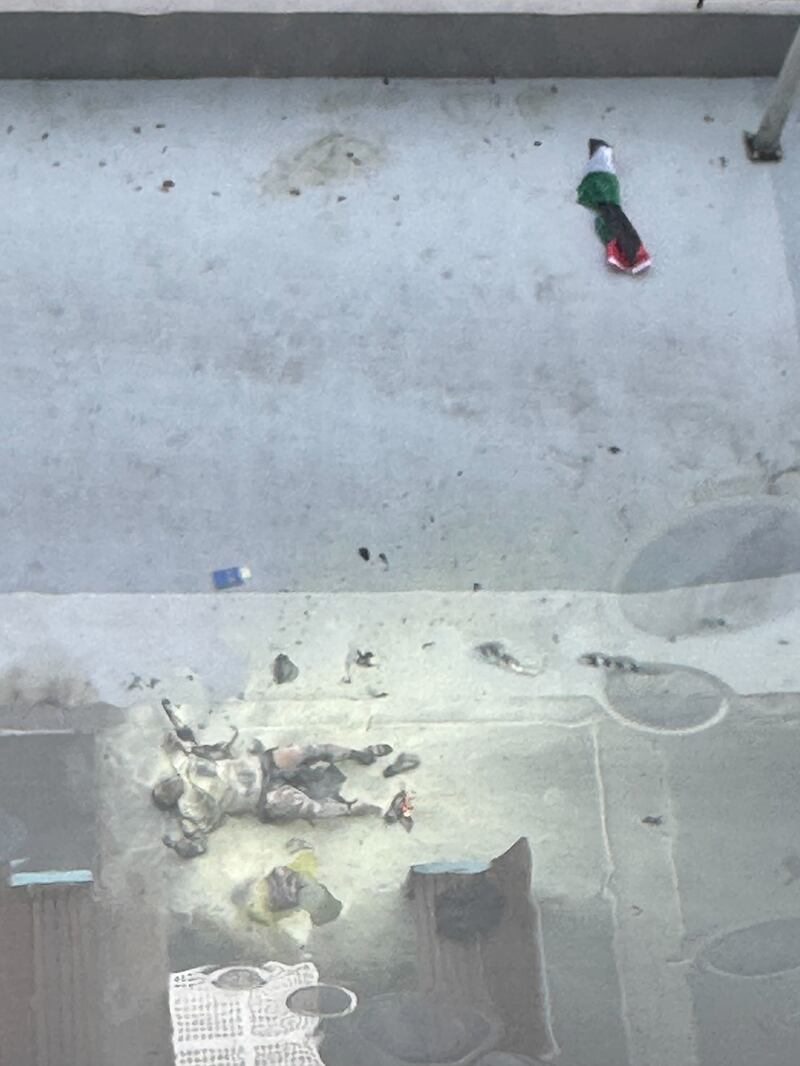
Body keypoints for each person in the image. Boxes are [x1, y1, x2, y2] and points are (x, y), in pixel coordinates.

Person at [154, 704, 391, 857]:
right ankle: (351, 808)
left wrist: (173, 714)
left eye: (164, 783)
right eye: (166, 792)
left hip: (261, 764)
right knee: (307, 806)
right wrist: (178, 845)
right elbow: (199, 841)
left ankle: (358, 753)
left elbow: (182, 739)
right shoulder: (191, 807)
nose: (168, 784)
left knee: (305, 751)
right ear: (171, 801)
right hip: (262, 798)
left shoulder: (184, 764)